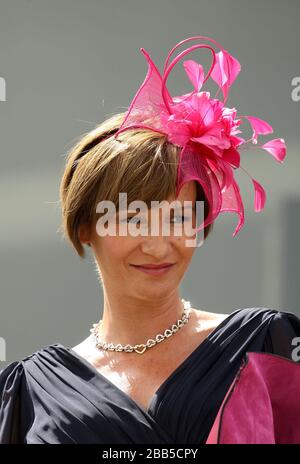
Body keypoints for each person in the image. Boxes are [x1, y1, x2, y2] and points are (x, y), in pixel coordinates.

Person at [0, 36, 299, 445]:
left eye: (179, 218)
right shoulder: (26, 397)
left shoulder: (267, 346)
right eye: (132, 219)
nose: (159, 245)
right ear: (85, 226)